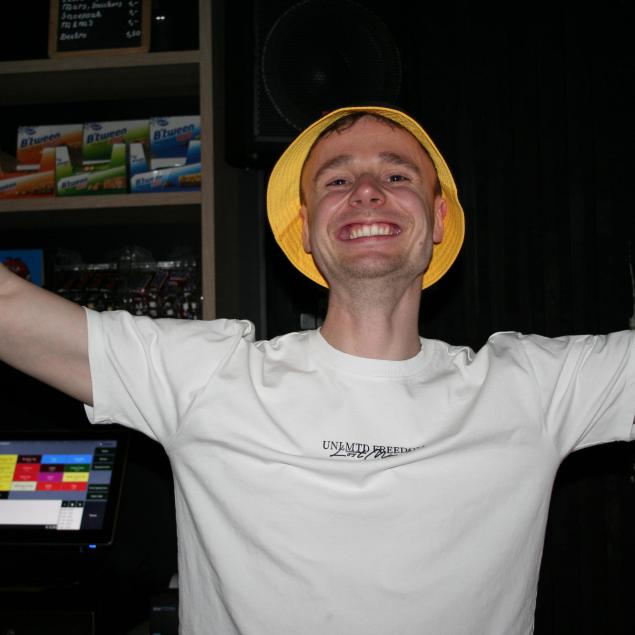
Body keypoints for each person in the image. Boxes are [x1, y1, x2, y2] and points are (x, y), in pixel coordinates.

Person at [0, 105, 633, 634]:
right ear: (304, 230)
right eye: (336, 181)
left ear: (439, 219)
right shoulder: (204, 376)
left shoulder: (534, 388)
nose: (367, 191)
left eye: (397, 174)